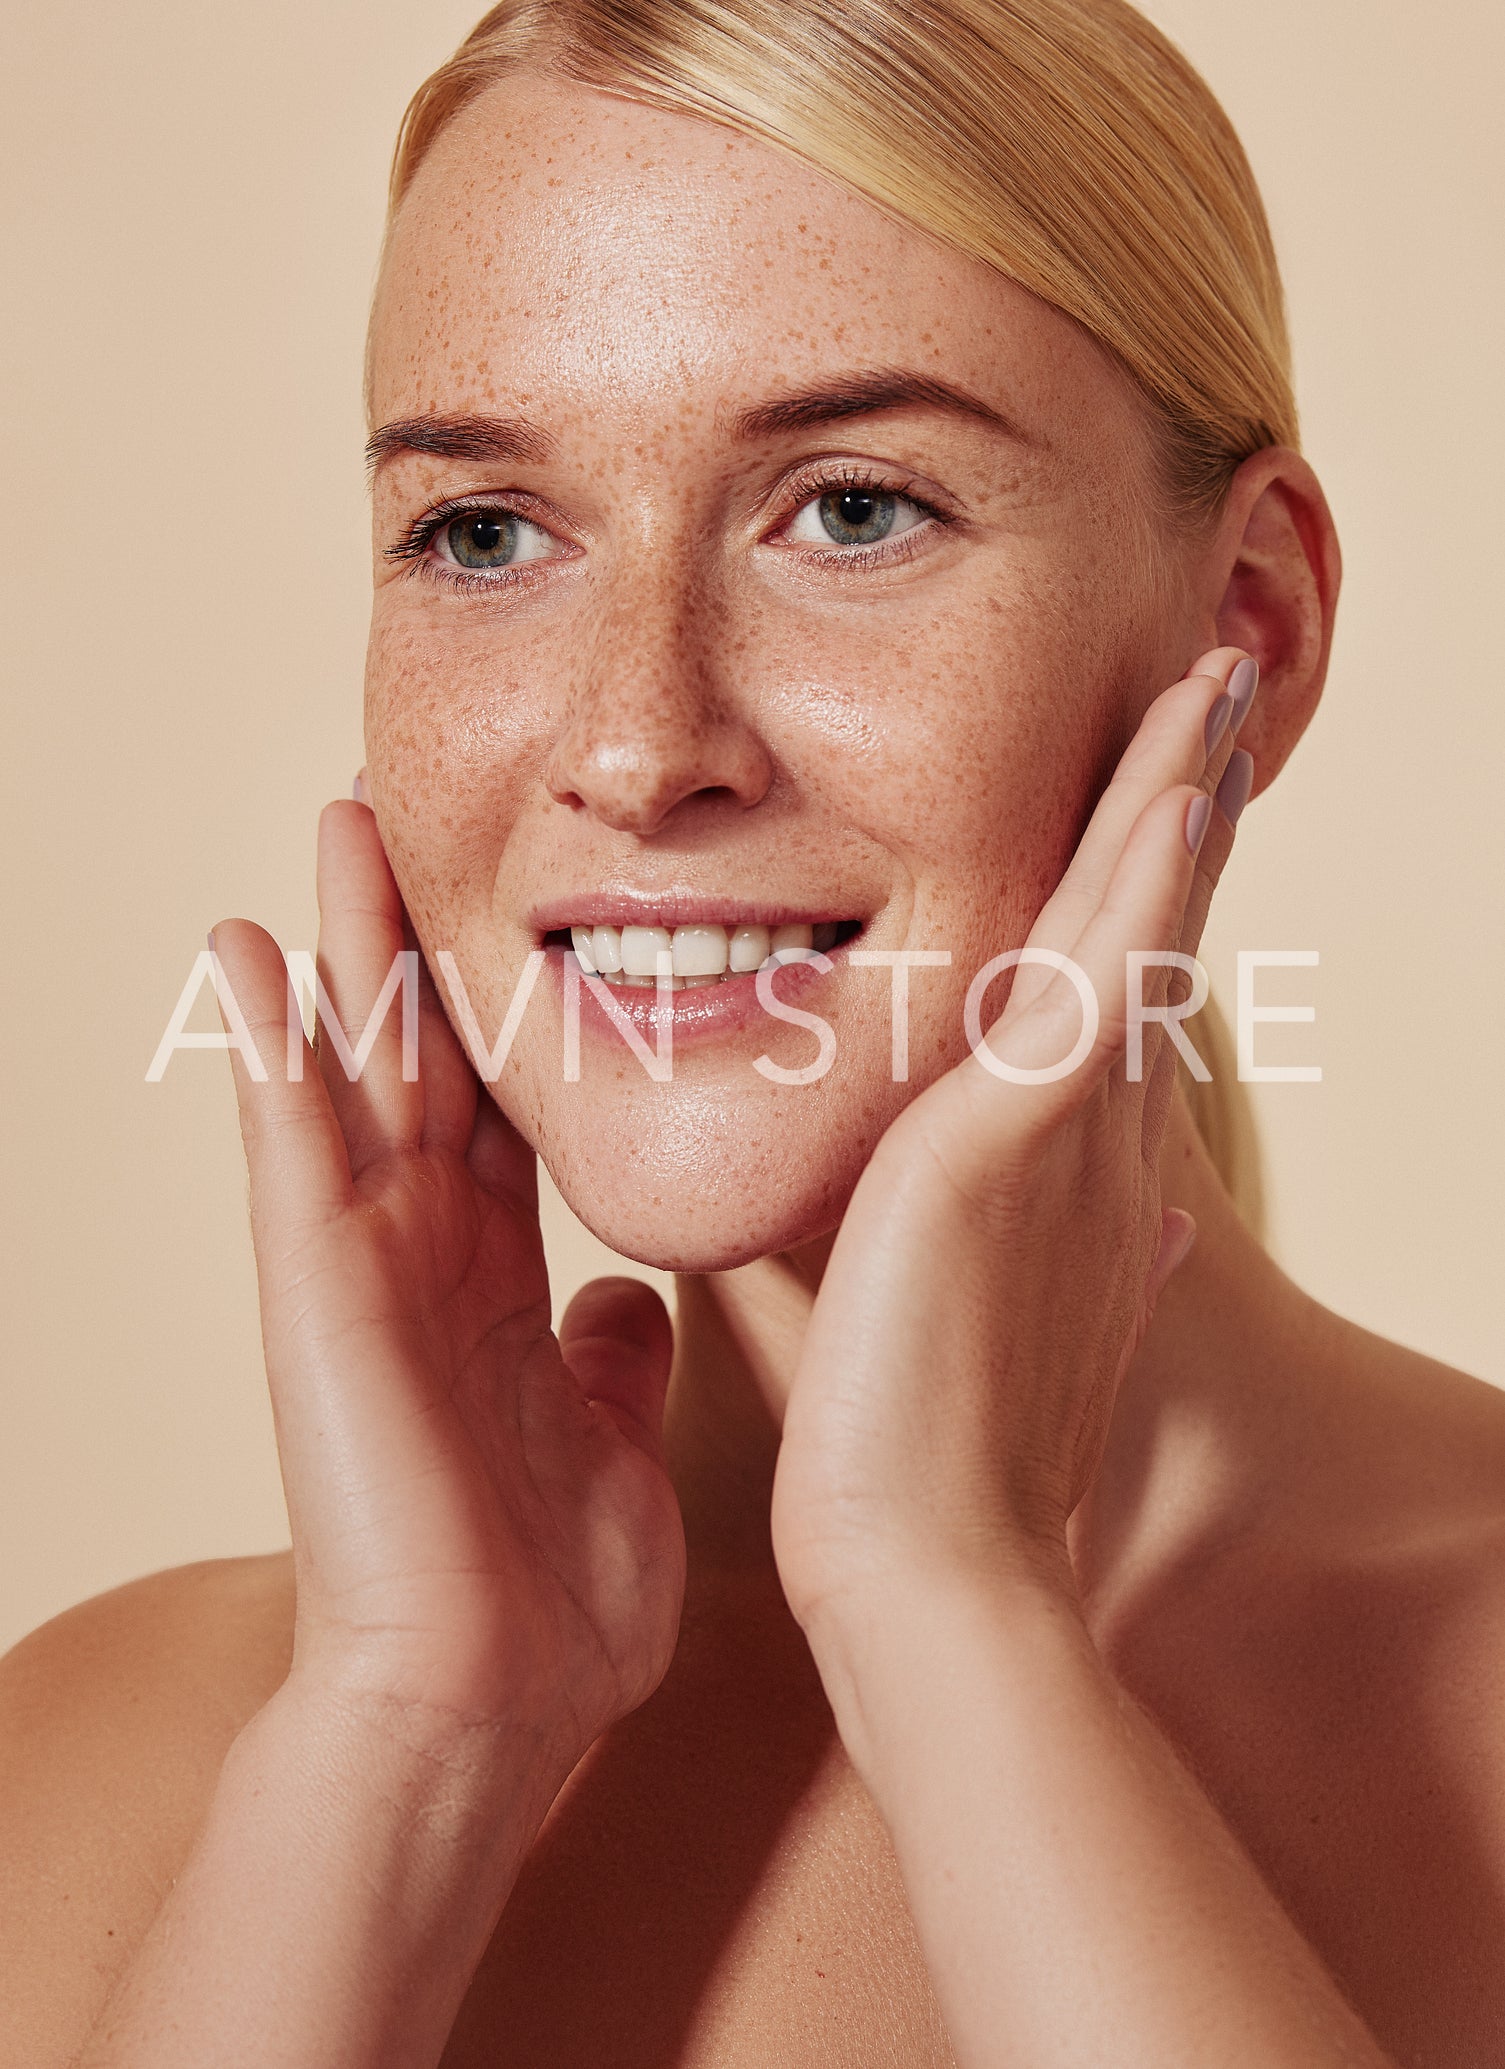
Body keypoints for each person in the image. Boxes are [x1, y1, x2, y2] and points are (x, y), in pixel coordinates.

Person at [3, 2, 1501, 2062]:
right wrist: (408, 1740)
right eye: (486, 532)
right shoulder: (116, 1774)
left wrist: (954, 1610)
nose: (635, 744)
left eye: (855, 510)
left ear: (1245, 626)